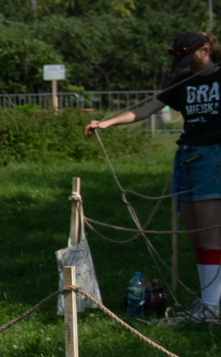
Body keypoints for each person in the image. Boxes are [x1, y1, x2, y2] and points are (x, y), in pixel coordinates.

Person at [86, 29, 221, 322]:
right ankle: (208, 301)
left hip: (214, 159)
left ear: (206, 49)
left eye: (190, 58)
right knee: (197, 238)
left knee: (211, 237)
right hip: (186, 159)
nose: (187, 65)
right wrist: (106, 123)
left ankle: (213, 305)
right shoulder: (183, 82)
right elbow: (146, 110)